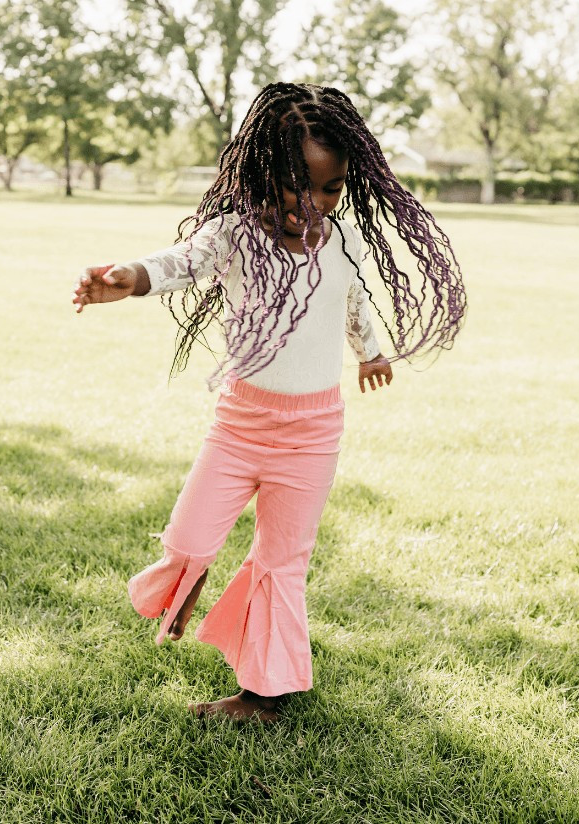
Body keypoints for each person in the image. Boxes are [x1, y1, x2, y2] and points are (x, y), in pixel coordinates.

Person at [72, 83, 467, 723]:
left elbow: (353, 300)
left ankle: (263, 696)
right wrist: (129, 278)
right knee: (187, 538)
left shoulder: (340, 242)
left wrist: (371, 352)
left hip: (312, 433)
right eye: (296, 184)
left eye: (330, 188)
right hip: (239, 424)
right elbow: (180, 261)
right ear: (261, 174)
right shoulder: (234, 236)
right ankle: (185, 580)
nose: (313, 203)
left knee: (283, 564)